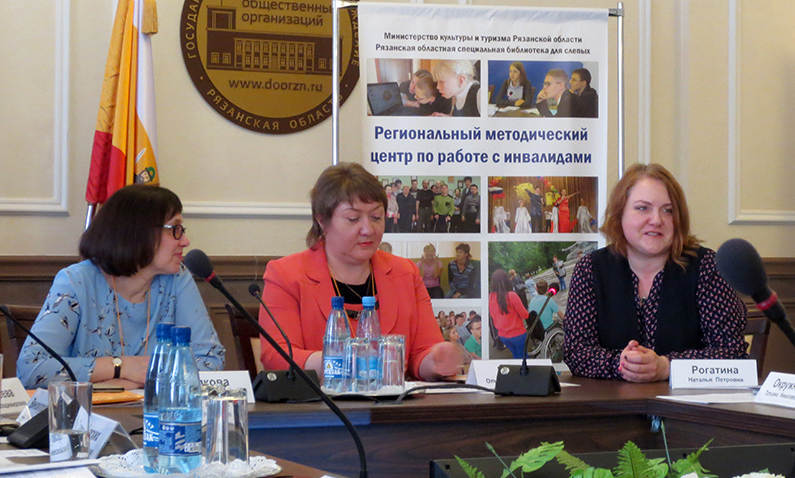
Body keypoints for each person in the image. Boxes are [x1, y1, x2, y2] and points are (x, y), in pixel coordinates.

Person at [257, 163, 466, 380]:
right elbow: (278, 357)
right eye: (353, 219)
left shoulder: (405, 273)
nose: (368, 229)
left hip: (394, 401)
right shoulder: (286, 275)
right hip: (320, 400)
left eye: (376, 217)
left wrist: (436, 361)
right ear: (322, 220)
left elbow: (422, 354)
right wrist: (347, 363)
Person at [16, 184, 225, 389]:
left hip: (157, 409)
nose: (185, 241)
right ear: (138, 232)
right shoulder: (76, 281)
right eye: (175, 229)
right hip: (87, 411)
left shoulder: (177, 278)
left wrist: (137, 381)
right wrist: (121, 367)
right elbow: (31, 368)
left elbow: (211, 361)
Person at [563, 163, 748, 382]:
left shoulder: (706, 267)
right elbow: (576, 351)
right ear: (619, 214)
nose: (657, 220)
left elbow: (732, 353)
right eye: (643, 208)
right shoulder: (590, 269)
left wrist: (667, 367)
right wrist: (624, 364)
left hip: (687, 402)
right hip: (612, 401)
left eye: (667, 210)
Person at [489, 269, 531, 359]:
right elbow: (525, 315)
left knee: (515, 356)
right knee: (523, 357)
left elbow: (493, 316)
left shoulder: (490, 297)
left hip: (503, 336)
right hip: (518, 334)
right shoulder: (511, 295)